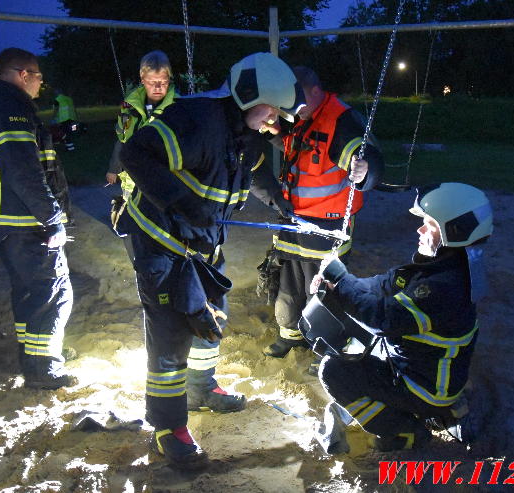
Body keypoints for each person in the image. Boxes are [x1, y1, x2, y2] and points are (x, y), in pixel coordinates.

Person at [116, 52, 305, 469]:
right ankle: (168, 428)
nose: (275, 121)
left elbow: (251, 169)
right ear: (249, 97)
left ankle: (201, 388)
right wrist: (181, 201)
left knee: (212, 317)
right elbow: (135, 155)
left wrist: (279, 202)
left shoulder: (245, 133)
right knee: (169, 335)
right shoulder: (197, 119)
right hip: (161, 243)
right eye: (272, 111)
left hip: (202, 248)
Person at [309, 183, 493, 451]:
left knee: (334, 371)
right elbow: (383, 285)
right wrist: (339, 281)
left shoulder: (442, 287)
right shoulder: (446, 266)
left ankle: (403, 431)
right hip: (427, 370)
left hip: (425, 387)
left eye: (430, 225)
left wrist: (340, 284)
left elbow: (381, 319)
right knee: (361, 345)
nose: (419, 230)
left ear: (453, 232)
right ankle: (437, 412)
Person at [0, 47, 75, 390]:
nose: (41, 83)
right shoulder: (12, 108)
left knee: (29, 290)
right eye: (38, 76)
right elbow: (22, 169)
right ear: (23, 74)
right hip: (23, 220)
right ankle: (44, 367)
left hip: (4, 222)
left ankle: (36, 351)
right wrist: (52, 216)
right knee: (53, 290)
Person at [262, 66, 384, 362]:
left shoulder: (341, 119)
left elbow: (369, 156)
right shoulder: (304, 114)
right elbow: (299, 150)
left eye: (297, 100)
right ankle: (288, 336)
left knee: (320, 288)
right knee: (289, 283)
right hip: (293, 219)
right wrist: (278, 133)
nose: (291, 108)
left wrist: (366, 169)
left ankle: (321, 342)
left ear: (314, 91)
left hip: (327, 226)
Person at [105, 50, 177, 262]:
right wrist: (113, 168)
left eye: (163, 82)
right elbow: (122, 139)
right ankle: (140, 262)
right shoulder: (129, 107)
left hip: (164, 180)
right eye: (152, 81)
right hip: (132, 181)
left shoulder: (179, 107)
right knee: (133, 226)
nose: (157, 87)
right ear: (142, 80)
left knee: (165, 225)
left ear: (169, 79)